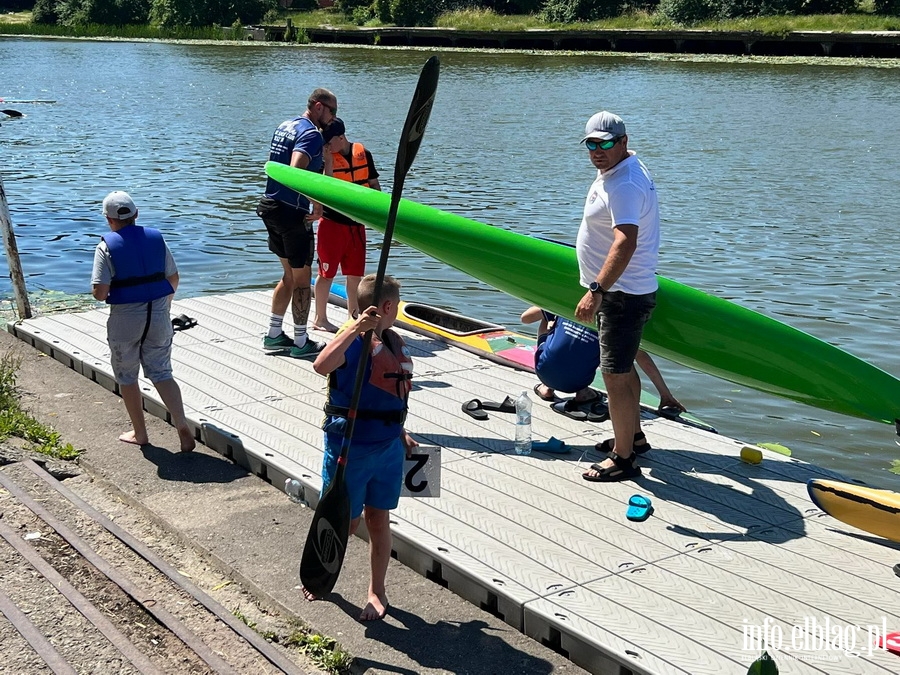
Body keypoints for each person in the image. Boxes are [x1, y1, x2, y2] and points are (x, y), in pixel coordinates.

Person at [309, 273, 417, 620]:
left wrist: (401, 431)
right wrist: (355, 329)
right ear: (387, 306)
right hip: (351, 446)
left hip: (387, 444)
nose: (397, 311)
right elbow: (321, 365)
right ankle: (323, 573)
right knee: (347, 520)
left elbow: (393, 394)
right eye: (397, 306)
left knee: (378, 518)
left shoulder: (392, 340)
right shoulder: (354, 339)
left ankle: (377, 589)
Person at [573, 111, 661, 483]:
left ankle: (623, 458)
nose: (597, 151)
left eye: (605, 144)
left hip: (621, 295)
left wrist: (596, 290)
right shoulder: (619, 169)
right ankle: (635, 437)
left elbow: (626, 241)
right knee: (623, 371)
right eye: (591, 144)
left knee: (614, 376)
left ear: (623, 142)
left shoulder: (624, 182)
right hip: (622, 291)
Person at [91, 191, 195, 453]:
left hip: (125, 318)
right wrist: (165, 305)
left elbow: (101, 292)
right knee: (161, 372)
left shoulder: (106, 246)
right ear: (136, 214)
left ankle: (140, 433)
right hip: (158, 313)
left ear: (108, 219)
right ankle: (181, 424)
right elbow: (173, 278)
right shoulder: (157, 239)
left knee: (127, 375)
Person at [257, 88, 338, 359]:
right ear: (318, 107)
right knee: (303, 280)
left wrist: (326, 159)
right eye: (332, 111)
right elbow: (295, 171)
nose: (333, 117)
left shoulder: (286, 125)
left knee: (289, 276)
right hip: (293, 212)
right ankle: (302, 341)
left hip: (271, 205)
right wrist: (316, 202)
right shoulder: (311, 134)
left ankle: (273, 335)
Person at [521, 306, 685, 413]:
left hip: (543, 372)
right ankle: (582, 392)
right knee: (610, 353)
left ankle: (546, 388)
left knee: (546, 320)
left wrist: (547, 309)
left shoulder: (566, 303)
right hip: (578, 381)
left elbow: (525, 318)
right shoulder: (612, 323)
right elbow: (643, 360)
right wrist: (665, 394)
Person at [313, 117, 382, 332]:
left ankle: (353, 319)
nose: (326, 146)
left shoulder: (364, 154)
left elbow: (374, 186)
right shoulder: (325, 158)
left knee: (355, 276)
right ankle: (320, 319)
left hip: (356, 226)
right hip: (332, 224)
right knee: (326, 274)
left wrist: (378, 212)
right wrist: (329, 163)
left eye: (329, 141)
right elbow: (325, 190)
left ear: (341, 137)